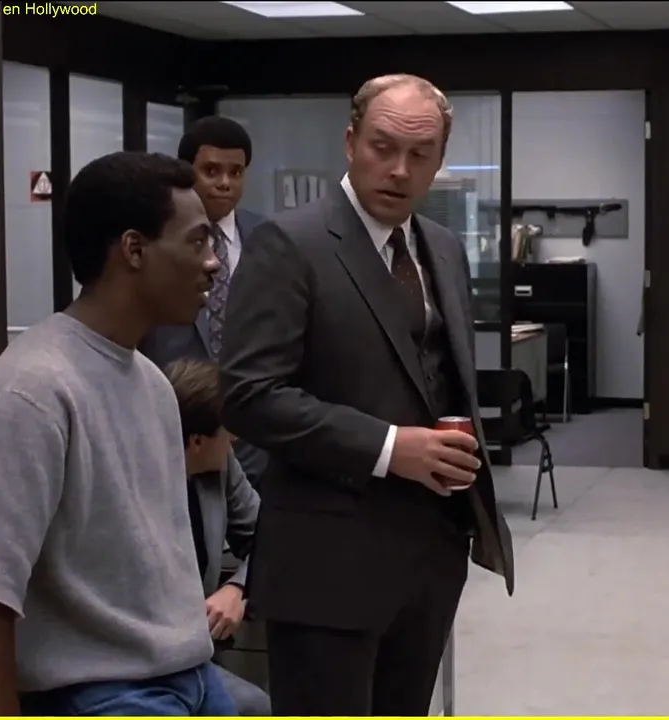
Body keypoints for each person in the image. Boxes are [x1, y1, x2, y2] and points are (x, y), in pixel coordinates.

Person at [219, 73, 515, 716]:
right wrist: (387, 447)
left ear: (439, 159)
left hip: (430, 553)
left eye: (420, 154)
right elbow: (248, 394)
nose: (400, 169)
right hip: (327, 561)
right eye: (383, 147)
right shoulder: (290, 244)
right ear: (350, 142)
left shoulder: (442, 248)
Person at [0, 151, 234, 716]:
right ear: (134, 250)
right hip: (100, 694)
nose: (213, 263)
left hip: (189, 676)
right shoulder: (29, 393)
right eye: (197, 242)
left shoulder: (151, 383)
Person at [142, 115, 269, 486]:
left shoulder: (268, 238)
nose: (224, 183)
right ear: (187, 172)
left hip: (253, 433)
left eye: (236, 172)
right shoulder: (157, 238)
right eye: (211, 171)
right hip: (172, 428)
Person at [164, 357, 272, 717]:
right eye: (227, 433)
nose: (235, 441)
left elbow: (268, 537)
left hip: (196, 653)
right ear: (197, 441)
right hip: (142, 656)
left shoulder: (221, 469)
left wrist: (238, 588)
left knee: (258, 706)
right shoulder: (132, 479)